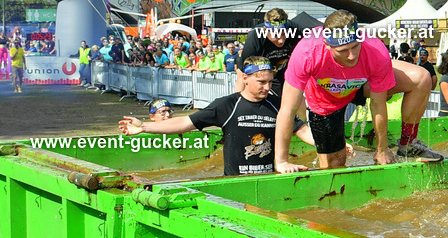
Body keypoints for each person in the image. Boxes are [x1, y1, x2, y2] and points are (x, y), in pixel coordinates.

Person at [274, 9, 442, 172]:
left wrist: (382, 149)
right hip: (325, 99)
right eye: (343, 51)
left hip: (361, 84)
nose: (351, 56)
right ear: (326, 45)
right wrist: (281, 161)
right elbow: (287, 110)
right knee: (335, 165)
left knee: (421, 78)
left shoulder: (375, 49)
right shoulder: (306, 53)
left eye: (355, 47)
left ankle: (408, 144)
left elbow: (378, 103)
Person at [119, 57, 316, 176]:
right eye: (261, 81)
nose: (267, 87)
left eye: (270, 82)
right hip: (234, 181)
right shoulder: (227, 105)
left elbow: (302, 130)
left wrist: (331, 144)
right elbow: (185, 122)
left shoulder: (275, 104)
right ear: (245, 79)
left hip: (268, 178)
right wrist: (144, 127)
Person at [237, 8, 302, 98]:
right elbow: (242, 73)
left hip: (285, 72)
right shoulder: (255, 36)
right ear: (265, 30)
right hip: (263, 72)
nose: (281, 40)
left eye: (284, 34)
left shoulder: (297, 30)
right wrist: (237, 101)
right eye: (276, 35)